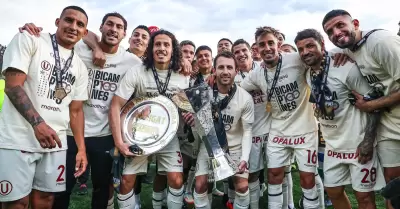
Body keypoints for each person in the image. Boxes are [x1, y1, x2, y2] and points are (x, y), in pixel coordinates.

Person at [0, 5, 88, 209]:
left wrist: (81, 149)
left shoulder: (80, 67)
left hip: (56, 143)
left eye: (80, 24)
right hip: (18, 137)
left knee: (45, 200)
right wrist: (38, 124)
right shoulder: (30, 39)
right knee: (16, 203)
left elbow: (75, 111)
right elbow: (13, 86)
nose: (73, 26)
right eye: (69, 20)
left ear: (85, 32)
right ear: (58, 22)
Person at [295, 28, 385, 209]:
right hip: (332, 147)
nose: (305, 52)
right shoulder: (308, 73)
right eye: (301, 49)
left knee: (364, 197)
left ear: (322, 44)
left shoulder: (346, 68)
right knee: (334, 191)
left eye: (310, 46)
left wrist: (368, 141)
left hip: (358, 144)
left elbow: (374, 102)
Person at [322, 9, 400, 209]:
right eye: (330, 31)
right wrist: (336, 55)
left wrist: (372, 105)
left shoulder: (381, 41)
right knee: (394, 185)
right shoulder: (348, 49)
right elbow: (317, 56)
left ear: (355, 23)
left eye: (340, 25)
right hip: (389, 124)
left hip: (387, 112)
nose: (336, 33)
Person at [240, 26, 320, 209]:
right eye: (262, 45)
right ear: (256, 49)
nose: (267, 48)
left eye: (270, 43)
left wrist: (342, 55)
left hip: (305, 129)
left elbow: (319, 59)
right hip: (278, 130)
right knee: (274, 174)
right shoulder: (257, 73)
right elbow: (238, 91)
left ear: (279, 44)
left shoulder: (296, 59)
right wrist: (215, 78)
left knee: (308, 178)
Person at [109, 29, 189, 209]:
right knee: (127, 181)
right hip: (139, 135)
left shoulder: (182, 75)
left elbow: (187, 107)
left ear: (173, 50)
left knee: (176, 179)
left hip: (169, 136)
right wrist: (119, 142)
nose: (161, 48)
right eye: (157, 44)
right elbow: (115, 105)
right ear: (150, 49)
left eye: (166, 45)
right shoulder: (137, 71)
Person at [191, 51, 254, 209]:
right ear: (214, 70)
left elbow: (247, 131)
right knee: (200, 186)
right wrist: (193, 121)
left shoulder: (245, 97)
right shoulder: (202, 93)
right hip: (210, 146)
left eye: (229, 67)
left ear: (236, 71)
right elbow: (200, 128)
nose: (225, 71)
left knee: (242, 187)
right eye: (221, 67)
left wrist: (244, 158)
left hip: (235, 147)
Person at [231, 38, 269, 209]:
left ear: (250, 51)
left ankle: (287, 204)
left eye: (243, 50)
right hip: (249, 133)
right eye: (236, 52)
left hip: (271, 129)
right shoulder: (232, 76)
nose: (241, 54)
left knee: (279, 172)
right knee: (252, 175)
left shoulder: (264, 67)